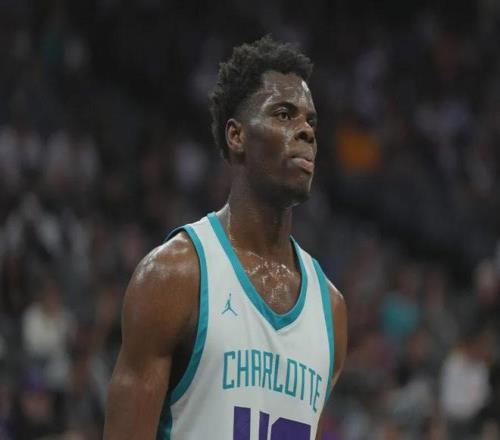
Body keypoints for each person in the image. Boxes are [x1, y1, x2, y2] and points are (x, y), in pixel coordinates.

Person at [104, 36, 347, 440]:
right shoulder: (174, 276)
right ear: (237, 136)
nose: (305, 131)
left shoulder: (331, 310)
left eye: (310, 122)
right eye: (284, 114)